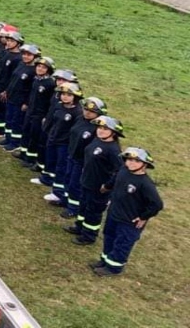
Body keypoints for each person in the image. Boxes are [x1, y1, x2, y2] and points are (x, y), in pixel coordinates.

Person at [91, 147, 163, 277]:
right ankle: (105, 261)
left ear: (145, 165)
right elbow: (115, 179)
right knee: (109, 237)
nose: (131, 163)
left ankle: (114, 268)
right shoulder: (123, 170)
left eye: (136, 161)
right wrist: (106, 187)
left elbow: (157, 204)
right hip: (114, 214)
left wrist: (143, 217)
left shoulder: (145, 184)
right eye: (129, 159)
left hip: (129, 222)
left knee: (122, 243)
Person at [67, 115, 125, 246]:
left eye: (105, 128)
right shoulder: (97, 140)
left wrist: (108, 186)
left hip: (99, 187)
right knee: (83, 206)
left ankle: (89, 235)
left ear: (114, 133)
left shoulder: (113, 150)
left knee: (93, 211)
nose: (100, 130)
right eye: (99, 127)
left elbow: (119, 171)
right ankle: (79, 227)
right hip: (87, 181)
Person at [60, 96, 107, 218]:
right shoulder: (80, 118)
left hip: (82, 161)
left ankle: (73, 209)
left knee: (75, 184)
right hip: (72, 155)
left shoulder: (98, 128)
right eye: (85, 109)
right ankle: (65, 200)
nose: (87, 112)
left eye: (91, 111)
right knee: (68, 178)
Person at [0, 43, 40, 151]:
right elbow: (13, 80)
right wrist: (6, 91)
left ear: (35, 57)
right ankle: (7, 138)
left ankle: (15, 142)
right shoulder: (21, 64)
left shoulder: (33, 71)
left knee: (17, 122)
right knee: (9, 118)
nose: (25, 56)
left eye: (29, 55)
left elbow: (32, 90)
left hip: (20, 101)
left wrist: (26, 103)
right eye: (24, 54)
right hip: (11, 97)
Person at [19, 56, 57, 171]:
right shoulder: (36, 79)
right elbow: (31, 94)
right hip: (30, 110)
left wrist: (45, 116)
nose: (40, 69)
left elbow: (49, 103)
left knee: (34, 136)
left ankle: (30, 158)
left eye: (43, 67)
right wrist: (26, 103)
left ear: (49, 70)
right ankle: (23, 152)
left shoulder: (50, 84)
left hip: (39, 114)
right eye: (39, 66)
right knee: (26, 131)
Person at [0, 29, 23, 136]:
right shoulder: (5, 52)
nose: (9, 43)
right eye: (8, 40)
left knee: (0, 108)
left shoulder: (18, 58)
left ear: (18, 43)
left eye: (12, 41)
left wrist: (6, 90)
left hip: (3, 87)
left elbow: (14, 78)